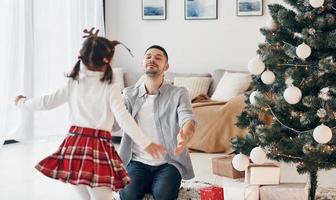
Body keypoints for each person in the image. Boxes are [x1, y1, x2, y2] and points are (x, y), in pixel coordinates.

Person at [14, 28, 166, 200]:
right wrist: (146, 143)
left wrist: (21, 102)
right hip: (97, 147)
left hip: (73, 147)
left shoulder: (74, 83)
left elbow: (45, 103)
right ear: (107, 60)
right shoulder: (110, 86)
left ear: (83, 56)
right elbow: (124, 118)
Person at [119, 45, 197, 200]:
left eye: (158, 57)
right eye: (148, 56)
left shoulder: (178, 93)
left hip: (168, 163)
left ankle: (154, 183)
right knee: (129, 193)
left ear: (166, 66)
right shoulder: (129, 94)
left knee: (163, 194)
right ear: (143, 63)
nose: (152, 60)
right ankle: (145, 182)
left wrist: (185, 135)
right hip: (137, 161)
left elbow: (187, 118)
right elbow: (117, 121)